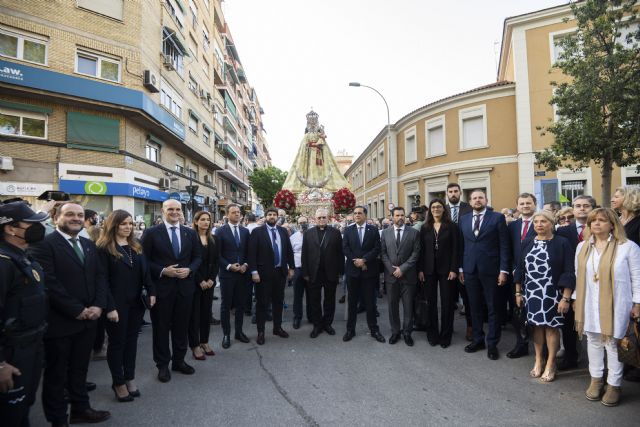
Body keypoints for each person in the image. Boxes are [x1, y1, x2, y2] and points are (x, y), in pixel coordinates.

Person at [31, 202, 110, 425]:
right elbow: (49, 284)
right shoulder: (43, 245)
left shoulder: (88, 244)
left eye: (79, 215)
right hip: (61, 322)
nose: (75, 218)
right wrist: (77, 310)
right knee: (57, 376)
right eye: (70, 214)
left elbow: (99, 278)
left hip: (89, 320)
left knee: (80, 370)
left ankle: (80, 409)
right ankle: (58, 420)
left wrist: (98, 306)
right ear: (56, 218)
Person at [573, 208, 640, 406]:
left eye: (602, 220)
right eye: (593, 221)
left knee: (612, 342)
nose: (597, 224)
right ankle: (596, 379)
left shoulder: (628, 247)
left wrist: (638, 303)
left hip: (618, 303)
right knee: (593, 340)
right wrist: (576, 298)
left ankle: (614, 384)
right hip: (590, 302)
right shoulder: (582, 247)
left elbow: (637, 278)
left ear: (612, 224)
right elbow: (578, 276)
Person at [97, 210, 156, 401]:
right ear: (113, 225)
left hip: (136, 303)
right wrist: (109, 307)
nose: (128, 227)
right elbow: (102, 280)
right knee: (117, 343)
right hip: (116, 305)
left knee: (131, 343)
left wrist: (152, 291)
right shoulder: (104, 248)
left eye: (130, 223)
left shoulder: (135, 245)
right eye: (123, 223)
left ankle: (129, 377)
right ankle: (118, 382)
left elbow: (145, 272)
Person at [141, 199, 201, 383]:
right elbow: (143, 260)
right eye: (170, 209)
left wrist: (190, 269)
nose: (174, 212)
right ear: (162, 211)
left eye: (178, 209)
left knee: (181, 327)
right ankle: (162, 365)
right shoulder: (151, 233)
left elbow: (198, 257)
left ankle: (179, 361)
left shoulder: (190, 233)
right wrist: (162, 270)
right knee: (161, 328)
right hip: (162, 289)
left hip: (185, 289)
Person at [0, 202, 48, 427]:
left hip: (31, 345)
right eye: (32, 223)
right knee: (10, 414)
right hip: (11, 353)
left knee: (24, 407)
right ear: (10, 228)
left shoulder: (23, 256)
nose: (40, 227)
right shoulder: (3, 262)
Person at [514, 211, 575, 382]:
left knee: (551, 328)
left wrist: (566, 298)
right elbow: (519, 268)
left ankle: (551, 363)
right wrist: (518, 292)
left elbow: (569, 271)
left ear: (552, 223)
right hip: (532, 292)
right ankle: (538, 359)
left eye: (543, 221)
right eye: (536, 222)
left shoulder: (562, 243)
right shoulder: (527, 242)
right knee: (536, 327)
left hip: (553, 293)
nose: (539, 224)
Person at [459, 189, 510, 360]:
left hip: (492, 271)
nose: (477, 200)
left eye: (480, 197)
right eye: (474, 198)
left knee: (493, 307)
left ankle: (492, 343)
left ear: (486, 200)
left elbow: (504, 245)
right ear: (470, 201)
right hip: (469, 270)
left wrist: (503, 270)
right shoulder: (464, 219)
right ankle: (478, 339)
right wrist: (461, 268)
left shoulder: (497, 218)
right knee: (474, 307)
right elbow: (462, 245)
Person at [556, 195, 596, 371]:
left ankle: (600, 362)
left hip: (596, 281)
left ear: (592, 208)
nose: (581, 209)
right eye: (577, 206)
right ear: (573, 209)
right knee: (568, 322)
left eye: (586, 206)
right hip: (571, 281)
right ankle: (571, 356)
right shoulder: (563, 231)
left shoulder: (600, 228)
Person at [248, 208, 295, 345]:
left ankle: (277, 328)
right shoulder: (257, 232)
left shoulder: (282, 231)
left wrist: (291, 267)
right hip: (262, 275)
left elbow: (289, 251)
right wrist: (254, 272)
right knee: (262, 304)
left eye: (274, 215)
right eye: (270, 215)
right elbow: (252, 253)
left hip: (280, 273)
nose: (272, 217)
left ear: (277, 217)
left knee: (278, 302)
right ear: (265, 217)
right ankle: (261, 332)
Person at [418, 198, 460, 348]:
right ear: (430, 210)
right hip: (429, 269)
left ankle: (446, 335)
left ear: (444, 209)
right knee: (431, 303)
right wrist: (421, 269)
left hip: (447, 269)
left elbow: (456, 249)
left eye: (439, 207)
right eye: (433, 207)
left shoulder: (452, 226)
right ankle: (432, 334)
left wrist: (454, 269)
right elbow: (421, 250)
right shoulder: (425, 227)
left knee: (447, 303)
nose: (436, 209)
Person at [342, 206, 385, 343]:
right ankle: (350, 330)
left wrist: (364, 260)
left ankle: (374, 330)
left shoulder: (373, 230)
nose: (357, 215)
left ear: (365, 215)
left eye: (360, 213)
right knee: (352, 302)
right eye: (355, 213)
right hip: (352, 272)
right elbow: (345, 248)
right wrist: (357, 261)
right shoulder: (348, 230)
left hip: (369, 271)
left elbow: (377, 248)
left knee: (370, 303)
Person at [301, 208, 344, 338]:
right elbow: (305, 254)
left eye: (324, 217)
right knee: (314, 300)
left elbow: (340, 253)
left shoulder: (335, 233)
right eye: (319, 218)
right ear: (315, 219)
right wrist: (305, 272)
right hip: (314, 272)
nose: (321, 220)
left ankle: (327, 323)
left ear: (328, 218)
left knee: (330, 300)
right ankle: (317, 325)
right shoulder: (308, 233)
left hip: (331, 272)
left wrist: (341, 271)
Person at [381, 207, 421, 346]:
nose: (400, 217)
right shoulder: (385, 233)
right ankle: (395, 332)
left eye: (402, 215)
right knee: (392, 306)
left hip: (408, 276)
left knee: (408, 306)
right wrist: (392, 270)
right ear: (392, 217)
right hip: (391, 277)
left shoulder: (414, 233)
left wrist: (402, 269)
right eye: (397, 215)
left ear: (406, 217)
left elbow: (416, 254)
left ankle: (407, 333)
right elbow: (383, 253)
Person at [505, 193, 537, 359]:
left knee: (536, 311)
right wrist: (511, 268)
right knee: (517, 311)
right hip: (516, 275)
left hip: (537, 276)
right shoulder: (512, 226)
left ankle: (541, 347)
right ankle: (521, 343)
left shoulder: (542, 223)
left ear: (535, 204)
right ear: (517, 206)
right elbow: (507, 250)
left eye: (528, 203)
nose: (525, 206)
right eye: (522, 203)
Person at [215, 204, 251, 349]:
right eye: (234, 212)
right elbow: (217, 254)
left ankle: (239, 332)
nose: (237, 214)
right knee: (226, 306)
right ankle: (226, 334)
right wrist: (229, 266)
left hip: (242, 274)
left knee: (241, 305)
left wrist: (246, 265)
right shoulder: (220, 231)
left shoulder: (245, 231)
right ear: (227, 214)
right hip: (227, 274)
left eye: (238, 212)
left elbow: (249, 251)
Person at [188, 211, 219, 360]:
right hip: (195, 281)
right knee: (195, 315)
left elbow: (216, 261)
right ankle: (195, 345)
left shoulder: (214, 239)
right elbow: (190, 261)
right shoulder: (190, 238)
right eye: (202, 219)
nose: (206, 222)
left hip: (210, 282)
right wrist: (200, 280)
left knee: (206, 313)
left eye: (208, 220)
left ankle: (204, 342)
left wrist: (212, 279)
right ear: (196, 221)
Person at [445, 183, 473, 341]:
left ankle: (471, 327)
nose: (453, 194)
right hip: (447, 261)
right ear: (447, 193)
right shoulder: (441, 209)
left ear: (460, 193)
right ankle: (448, 328)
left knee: (467, 298)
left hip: (465, 258)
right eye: (451, 192)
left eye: (456, 191)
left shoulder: (468, 208)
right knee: (448, 298)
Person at [290, 216, 310, 329]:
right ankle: (297, 317)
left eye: (305, 222)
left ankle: (311, 316)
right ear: (297, 224)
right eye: (301, 223)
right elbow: (289, 253)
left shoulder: (313, 235)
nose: (303, 224)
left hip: (311, 270)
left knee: (311, 295)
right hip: (298, 269)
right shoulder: (293, 237)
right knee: (298, 295)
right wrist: (290, 268)